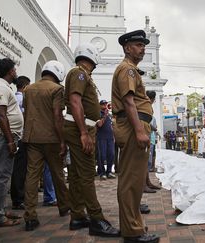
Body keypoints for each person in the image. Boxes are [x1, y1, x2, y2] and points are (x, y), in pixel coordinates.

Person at [63, 43, 120, 236]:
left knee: (78, 175)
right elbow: (75, 101)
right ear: (93, 57)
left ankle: (78, 216)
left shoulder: (80, 74)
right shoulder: (79, 73)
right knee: (87, 174)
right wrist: (84, 133)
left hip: (82, 126)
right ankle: (97, 220)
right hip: (80, 127)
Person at [112, 29, 159, 243]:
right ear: (127, 47)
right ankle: (132, 232)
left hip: (136, 126)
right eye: (138, 45)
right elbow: (129, 101)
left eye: (143, 45)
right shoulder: (128, 70)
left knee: (134, 179)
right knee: (131, 180)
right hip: (134, 127)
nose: (142, 49)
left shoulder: (131, 69)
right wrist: (140, 131)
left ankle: (133, 225)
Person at [22, 60, 71, 231]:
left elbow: (27, 112)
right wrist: (62, 140)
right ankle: (64, 207)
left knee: (32, 176)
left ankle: (30, 216)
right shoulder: (57, 89)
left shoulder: (28, 89)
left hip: (32, 137)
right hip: (51, 138)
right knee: (58, 174)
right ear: (58, 73)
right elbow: (58, 116)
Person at [0, 58, 23, 227]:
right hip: (3, 138)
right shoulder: (1, 88)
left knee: (3, 177)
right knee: (1, 177)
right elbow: (1, 115)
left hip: (5, 138)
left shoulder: (4, 87)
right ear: (10, 71)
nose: (16, 72)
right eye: (14, 70)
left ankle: (0, 209)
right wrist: (10, 141)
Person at [11, 76, 31, 210]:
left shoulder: (13, 97)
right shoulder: (22, 99)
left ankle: (18, 197)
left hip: (16, 135)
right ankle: (18, 198)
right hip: (21, 136)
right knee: (20, 168)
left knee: (18, 168)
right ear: (25, 87)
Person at [96, 100, 116, 180]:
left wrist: (114, 136)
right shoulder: (98, 114)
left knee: (111, 155)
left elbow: (111, 126)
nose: (105, 106)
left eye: (106, 104)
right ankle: (102, 173)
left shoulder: (109, 115)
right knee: (102, 156)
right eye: (103, 104)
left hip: (110, 138)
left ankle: (109, 171)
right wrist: (105, 115)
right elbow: (99, 124)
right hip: (101, 138)